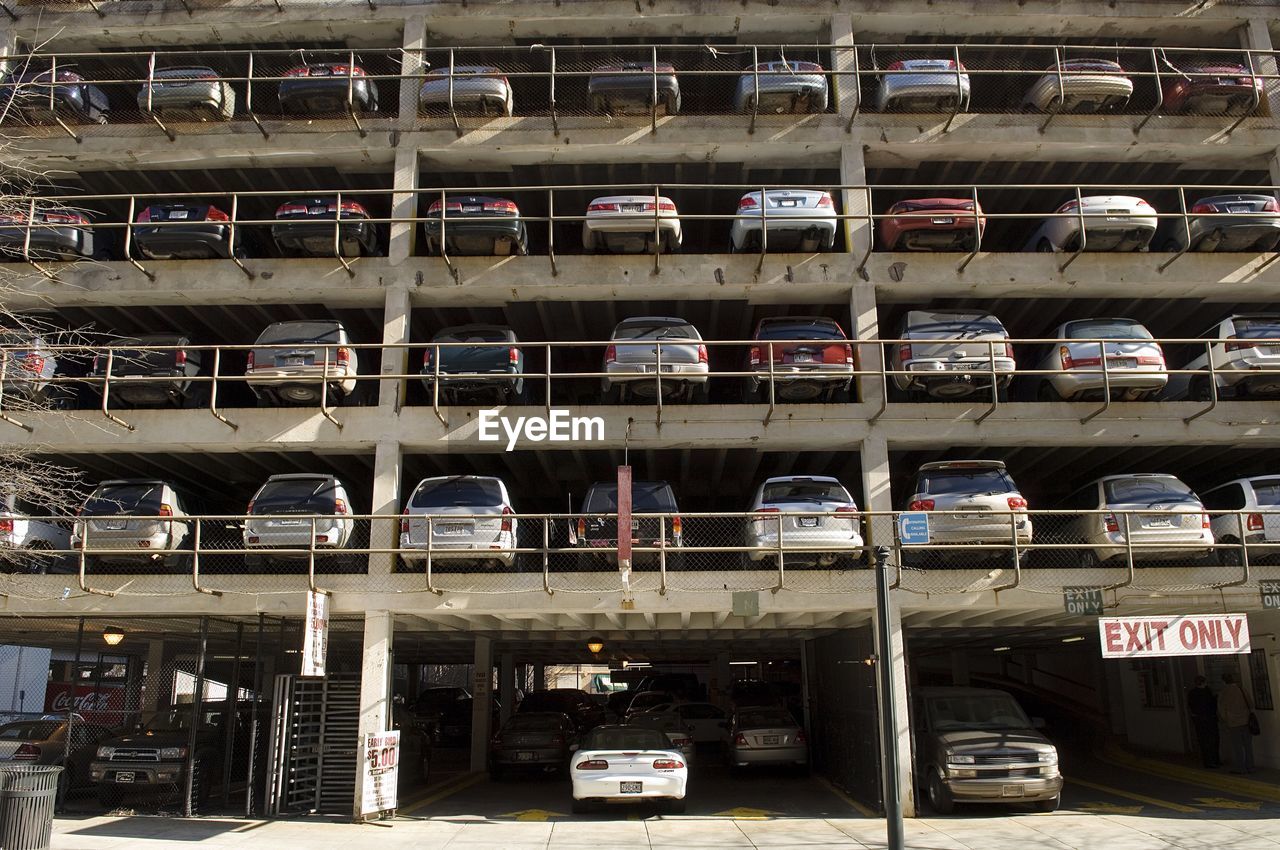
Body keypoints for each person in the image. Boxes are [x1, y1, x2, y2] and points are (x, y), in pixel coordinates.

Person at [1219, 672, 1255, 774]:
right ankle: (1251, 766)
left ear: (1223, 681)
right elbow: (1250, 703)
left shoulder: (1224, 693)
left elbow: (1221, 709)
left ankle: (1240, 768)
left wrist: (1225, 719)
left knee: (1237, 747)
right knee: (1248, 746)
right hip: (1246, 720)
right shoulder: (1242, 689)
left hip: (1233, 723)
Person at [1186, 676, 1220, 768]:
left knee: (1203, 741)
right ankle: (1215, 760)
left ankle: (1207, 761)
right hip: (1210, 719)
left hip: (1199, 720)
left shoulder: (1192, 693)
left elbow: (1191, 705)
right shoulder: (1207, 691)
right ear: (1203, 682)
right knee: (1213, 739)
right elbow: (1213, 703)